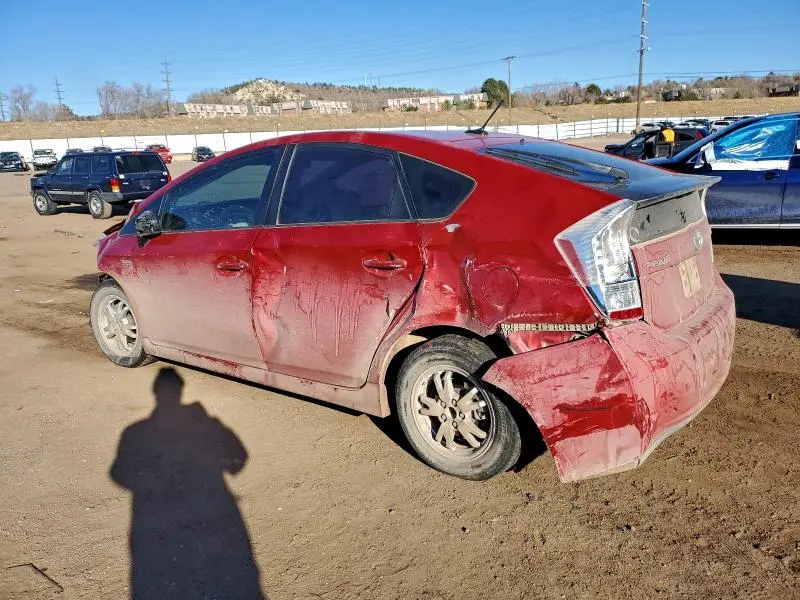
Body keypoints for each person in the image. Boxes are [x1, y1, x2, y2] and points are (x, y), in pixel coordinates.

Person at [110, 368, 265, 600]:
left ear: (155, 393)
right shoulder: (208, 425)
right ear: (180, 391)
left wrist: (148, 482)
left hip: (157, 523)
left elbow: (119, 473)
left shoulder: (135, 432)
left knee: (166, 577)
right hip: (209, 516)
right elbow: (238, 458)